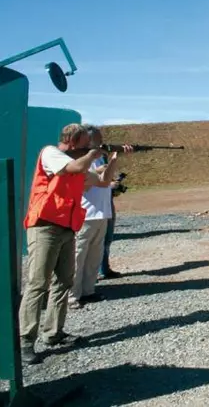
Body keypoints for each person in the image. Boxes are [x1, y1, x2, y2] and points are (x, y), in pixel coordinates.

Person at [17, 123, 129, 365]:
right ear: (72, 140)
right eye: (86, 143)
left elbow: (103, 181)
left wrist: (113, 159)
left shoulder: (80, 163)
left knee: (64, 281)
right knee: (38, 284)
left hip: (67, 227)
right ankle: (25, 340)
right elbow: (74, 167)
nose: (90, 147)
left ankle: (53, 333)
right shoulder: (51, 153)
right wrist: (92, 154)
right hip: (45, 225)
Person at [69, 125, 130, 308]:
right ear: (87, 140)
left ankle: (88, 291)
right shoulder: (81, 158)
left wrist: (114, 159)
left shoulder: (98, 158)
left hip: (101, 213)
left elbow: (104, 183)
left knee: (94, 256)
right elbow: (83, 180)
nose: (101, 140)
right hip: (85, 214)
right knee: (78, 256)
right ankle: (72, 295)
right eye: (97, 138)